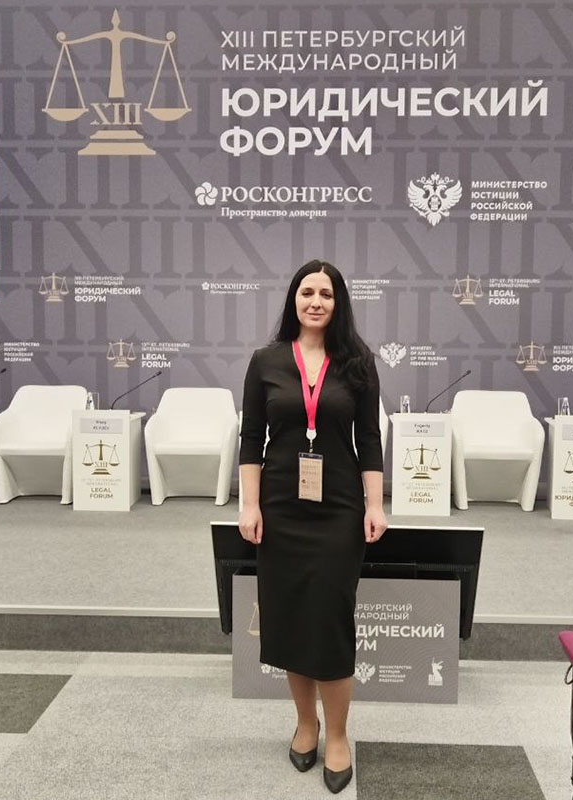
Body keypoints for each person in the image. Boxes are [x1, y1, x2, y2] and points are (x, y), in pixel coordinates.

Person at [238, 259, 387, 794]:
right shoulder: (266, 361)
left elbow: (369, 439)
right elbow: (251, 438)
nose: (316, 301)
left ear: (338, 302)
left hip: (338, 508)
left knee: (329, 620)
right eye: (307, 292)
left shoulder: (358, 363)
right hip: (280, 507)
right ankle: (307, 724)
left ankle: (339, 734)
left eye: (326, 293)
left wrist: (375, 505)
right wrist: (249, 506)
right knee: (289, 619)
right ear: (294, 299)